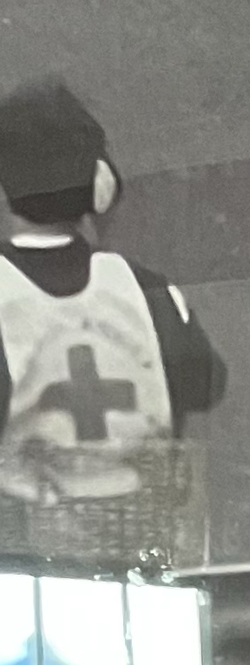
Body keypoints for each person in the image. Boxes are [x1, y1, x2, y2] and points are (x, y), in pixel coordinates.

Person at [0, 78, 224, 565]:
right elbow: (206, 384)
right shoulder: (151, 293)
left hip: (24, 575)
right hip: (143, 569)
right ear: (101, 182)